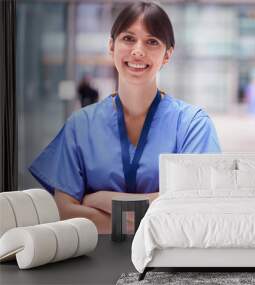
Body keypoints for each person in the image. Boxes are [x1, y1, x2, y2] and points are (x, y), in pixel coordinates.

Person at [29, 1, 221, 234]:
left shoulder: (193, 125)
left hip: (169, 264)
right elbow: (65, 213)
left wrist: (102, 200)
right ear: (111, 46)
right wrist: (154, 212)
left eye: (152, 41)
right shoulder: (81, 126)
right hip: (92, 263)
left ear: (167, 55)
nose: (138, 51)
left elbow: (194, 210)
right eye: (129, 39)